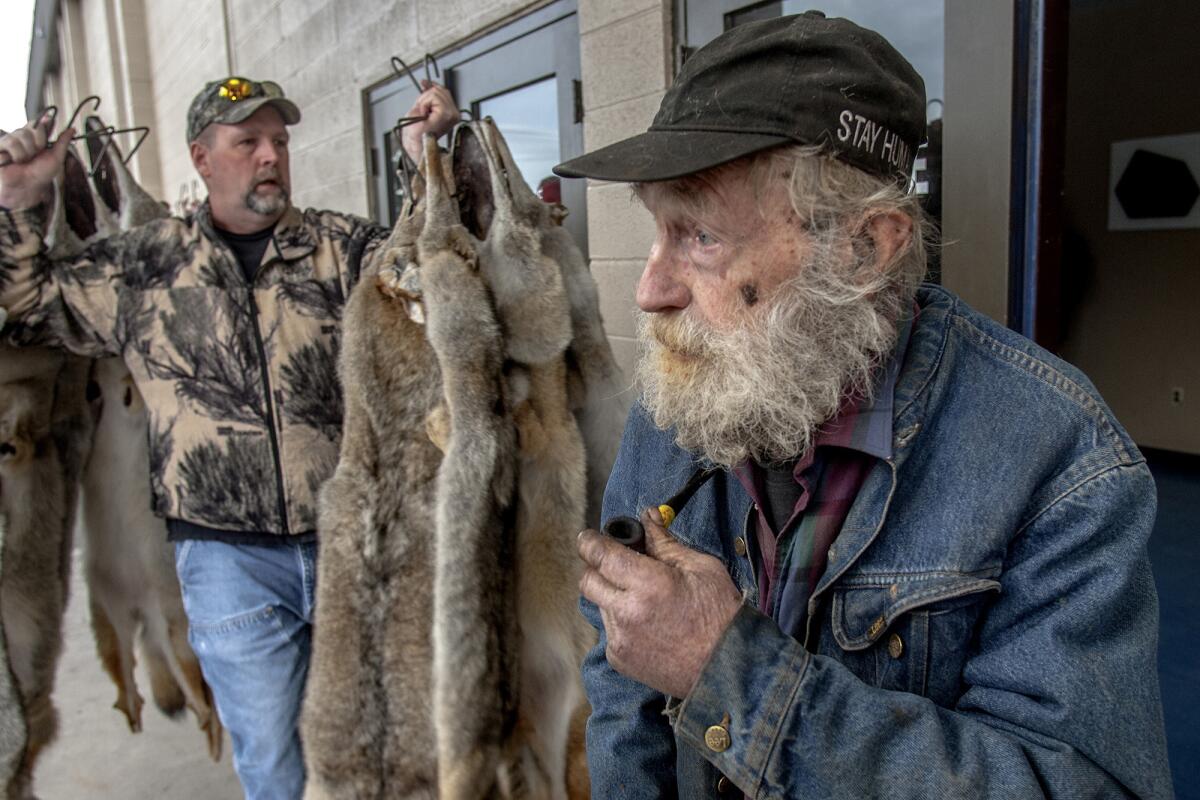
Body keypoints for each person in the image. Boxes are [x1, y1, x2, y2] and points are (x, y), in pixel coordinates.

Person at [555, 12, 1172, 799]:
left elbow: (1079, 786)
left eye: (699, 236)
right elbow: (622, 689)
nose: (650, 290)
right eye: (657, 232)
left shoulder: (1057, 455)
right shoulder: (679, 398)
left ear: (863, 247)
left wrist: (729, 672)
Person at [0, 76, 459, 799]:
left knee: (388, 753)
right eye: (247, 142)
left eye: (279, 140)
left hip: (352, 545)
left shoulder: (339, 250)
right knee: (274, 764)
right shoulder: (144, 267)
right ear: (202, 158)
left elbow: (429, 264)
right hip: (227, 562)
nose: (270, 155)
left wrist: (421, 159)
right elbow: (25, 307)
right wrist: (23, 201)